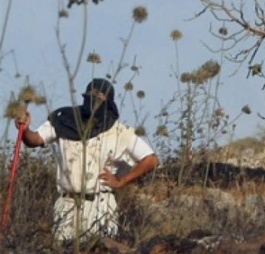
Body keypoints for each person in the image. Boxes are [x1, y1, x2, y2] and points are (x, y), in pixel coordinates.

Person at [16, 78, 159, 241]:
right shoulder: (64, 120)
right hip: (67, 204)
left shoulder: (119, 131)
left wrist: (121, 181)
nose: (94, 97)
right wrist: (24, 128)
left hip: (100, 206)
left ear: (108, 101)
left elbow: (151, 160)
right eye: (91, 93)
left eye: (99, 94)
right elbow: (34, 140)